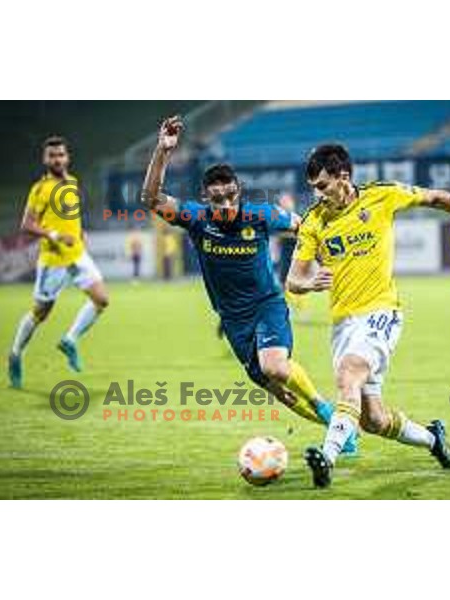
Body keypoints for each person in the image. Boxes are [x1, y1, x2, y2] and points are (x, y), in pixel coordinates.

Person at [286, 144, 450, 488]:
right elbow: (293, 278)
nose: (316, 194)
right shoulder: (314, 221)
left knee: (348, 376)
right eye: (313, 187)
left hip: (382, 312)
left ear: (343, 177)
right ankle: (434, 440)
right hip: (343, 323)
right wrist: (308, 283)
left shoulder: (382, 195)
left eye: (321, 185)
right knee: (374, 420)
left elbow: (437, 198)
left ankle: (327, 458)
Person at [141, 117, 356, 452]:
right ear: (205, 198)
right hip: (232, 319)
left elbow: (305, 228)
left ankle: (327, 410)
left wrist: (324, 267)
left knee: (275, 367)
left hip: (267, 305)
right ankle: (339, 433)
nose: (225, 205)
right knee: (279, 392)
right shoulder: (196, 220)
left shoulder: (261, 216)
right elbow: (151, 199)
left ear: (238, 191)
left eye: (230, 196)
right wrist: (163, 151)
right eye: (217, 199)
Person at [8, 136, 109, 388]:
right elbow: (27, 225)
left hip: (76, 254)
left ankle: (70, 340)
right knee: (41, 313)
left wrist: (80, 233)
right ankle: (15, 354)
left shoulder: (72, 183)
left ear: (67, 157)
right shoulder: (40, 189)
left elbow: (70, 216)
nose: (57, 159)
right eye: (52, 155)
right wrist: (53, 235)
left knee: (101, 299)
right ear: (45, 159)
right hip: (53, 261)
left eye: (61, 154)